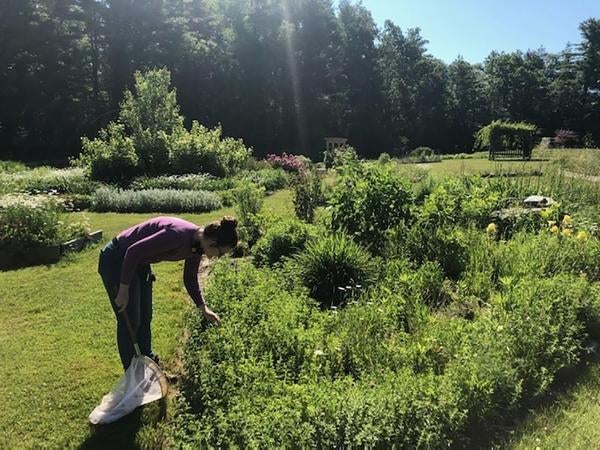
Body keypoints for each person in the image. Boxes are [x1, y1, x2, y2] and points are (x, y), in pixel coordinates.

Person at [98, 216, 238, 370]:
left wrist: (203, 308)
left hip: (139, 262)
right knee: (131, 321)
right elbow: (133, 251)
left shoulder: (197, 246)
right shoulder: (177, 235)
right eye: (220, 253)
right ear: (213, 243)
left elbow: (190, 278)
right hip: (117, 258)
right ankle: (133, 372)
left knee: (146, 315)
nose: (217, 257)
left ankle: (148, 362)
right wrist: (124, 288)